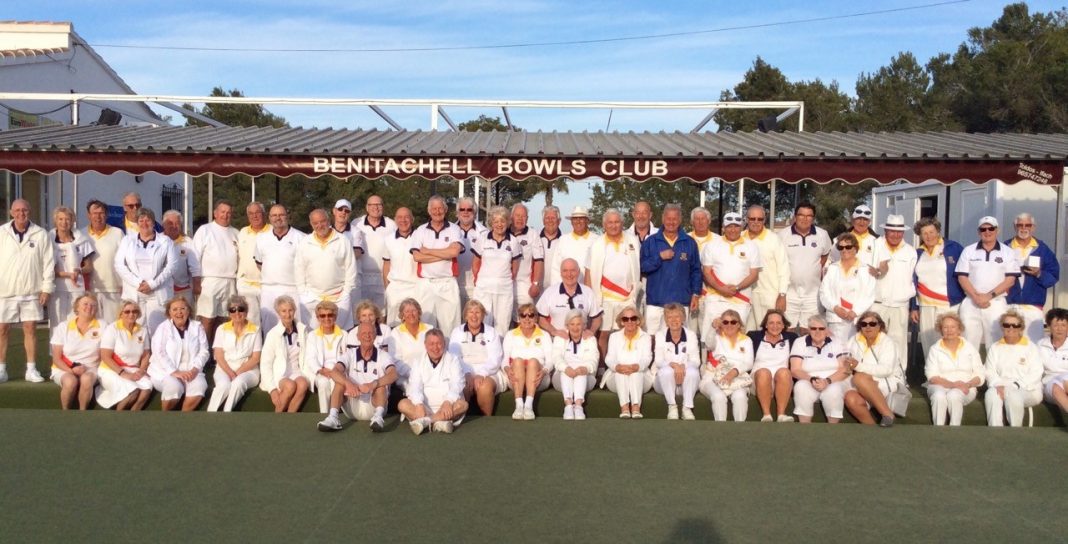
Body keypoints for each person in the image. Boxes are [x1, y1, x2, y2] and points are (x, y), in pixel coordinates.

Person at [0, 198, 54, 383]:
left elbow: (48, 263)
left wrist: (46, 289)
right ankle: (2, 369)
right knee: (2, 329)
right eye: (17, 210)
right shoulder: (2, 233)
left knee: (30, 328)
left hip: (32, 290)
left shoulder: (40, 234)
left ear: (29, 212)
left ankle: (31, 369)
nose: (21, 214)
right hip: (5, 290)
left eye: (24, 210)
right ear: (11, 212)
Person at [317, 322, 397, 433]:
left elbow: (393, 374)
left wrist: (373, 384)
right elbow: (334, 372)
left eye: (370, 333)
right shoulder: (350, 354)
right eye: (364, 333)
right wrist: (348, 384)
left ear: (375, 335)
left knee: (381, 386)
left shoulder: (383, 355)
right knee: (340, 382)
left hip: (374, 405)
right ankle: (333, 418)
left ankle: (378, 419)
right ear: (357, 336)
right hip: (352, 406)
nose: (367, 336)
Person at [956, 216, 1020, 350]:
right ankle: (971, 371)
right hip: (971, 302)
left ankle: (993, 371)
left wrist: (988, 296)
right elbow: (962, 277)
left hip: (996, 302)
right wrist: (976, 297)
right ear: (979, 232)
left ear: (997, 230)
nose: (987, 232)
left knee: (996, 342)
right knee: (967, 341)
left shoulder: (1008, 252)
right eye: (983, 229)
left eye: (991, 228)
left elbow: (1010, 280)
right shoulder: (968, 250)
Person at [641, 204, 702, 335]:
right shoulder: (651, 242)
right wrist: (659, 257)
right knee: (652, 338)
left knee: (679, 339)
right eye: (668, 218)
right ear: (663, 219)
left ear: (680, 220)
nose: (671, 222)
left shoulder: (690, 243)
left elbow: (696, 271)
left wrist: (696, 294)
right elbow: (642, 267)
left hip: (681, 302)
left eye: (675, 219)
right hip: (656, 302)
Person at [869, 214, 917, 383]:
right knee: (874, 338)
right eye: (892, 231)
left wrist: (912, 305)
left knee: (899, 341)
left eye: (899, 232)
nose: (895, 235)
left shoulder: (910, 251)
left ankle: (899, 377)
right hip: (877, 303)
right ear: (885, 230)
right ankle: (874, 375)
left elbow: (912, 278)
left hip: (899, 304)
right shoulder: (874, 246)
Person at [587, 209, 641, 356]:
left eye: (617, 222)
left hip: (627, 297)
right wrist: (590, 298)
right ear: (604, 225)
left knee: (626, 332)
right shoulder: (596, 244)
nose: (613, 225)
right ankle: (604, 367)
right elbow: (588, 272)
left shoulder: (632, 240)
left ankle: (624, 362)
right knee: (603, 334)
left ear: (622, 223)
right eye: (610, 222)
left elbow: (638, 267)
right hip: (604, 298)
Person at [115, 207, 178, 333]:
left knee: (158, 330)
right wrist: (138, 282)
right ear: (137, 223)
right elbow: (119, 265)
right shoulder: (127, 240)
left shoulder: (165, 241)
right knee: (135, 330)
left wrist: (153, 284)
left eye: (148, 220)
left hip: (158, 293)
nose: (144, 224)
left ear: (153, 222)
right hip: (134, 292)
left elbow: (172, 265)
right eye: (141, 220)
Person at [700, 212, 761, 343]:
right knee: (711, 336)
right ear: (723, 227)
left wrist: (737, 288)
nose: (733, 230)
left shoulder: (751, 246)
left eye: (736, 226)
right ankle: (706, 363)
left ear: (742, 227)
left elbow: (754, 274)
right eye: (729, 226)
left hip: (741, 299)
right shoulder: (711, 245)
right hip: (715, 297)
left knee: (735, 336)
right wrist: (721, 289)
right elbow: (706, 272)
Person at [909, 217, 965, 355]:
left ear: (938, 231)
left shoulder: (954, 248)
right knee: (929, 343)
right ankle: (931, 375)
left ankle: (951, 374)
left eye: (932, 232)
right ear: (920, 235)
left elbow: (965, 273)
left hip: (948, 304)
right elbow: (912, 281)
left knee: (949, 341)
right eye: (924, 233)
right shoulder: (917, 253)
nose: (929, 236)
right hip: (925, 305)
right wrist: (914, 307)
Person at [397, 329, 468, 435]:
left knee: (463, 405)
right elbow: (415, 386)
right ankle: (439, 423)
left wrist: (448, 401)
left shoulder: (453, 360)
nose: (435, 348)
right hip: (424, 409)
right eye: (432, 344)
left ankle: (426, 422)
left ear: (444, 344)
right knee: (402, 404)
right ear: (425, 345)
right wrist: (418, 404)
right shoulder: (418, 361)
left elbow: (457, 383)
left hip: (446, 408)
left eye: (439, 343)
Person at [295, 208, 356, 330]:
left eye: (322, 221)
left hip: (338, 297)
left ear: (328, 221)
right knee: (313, 336)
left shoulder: (342, 240)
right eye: (315, 223)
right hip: (312, 298)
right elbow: (299, 270)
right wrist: (303, 293)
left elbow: (351, 268)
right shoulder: (305, 242)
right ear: (311, 224)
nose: (319, 225)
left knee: (339, 334)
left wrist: (346, 292)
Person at [410, 195, 464, 334]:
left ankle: (451, 355)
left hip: (448, 283)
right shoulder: (420, 230)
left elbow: (454, 253)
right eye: (434, 209)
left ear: (445, 210)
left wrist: (428, 251)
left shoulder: (454, 229)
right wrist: (445, 253)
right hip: (426, 284)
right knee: (425, 326)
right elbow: (417, 256)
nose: (437, 211)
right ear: (429, 211)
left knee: (450, 327)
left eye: (440, 208)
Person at [777, 201, 832, 332]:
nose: (805, 219)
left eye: (809, 216)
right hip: (789, 294)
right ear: (795, 216)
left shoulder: (822, 235)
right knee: (786, 331)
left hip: (813, 294)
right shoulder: (782, 235)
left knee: (809, 332)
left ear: (813, 218)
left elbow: (824, 256)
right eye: (801, 215)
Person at [1005, 213, 1060, 342]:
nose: (1024, 228)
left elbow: (1053, 276)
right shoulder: (1005, 248)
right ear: (1014, 226)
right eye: (1020, 225)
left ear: (1033, 227)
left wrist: (1038, 274)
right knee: (1009, 343)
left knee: (1034, 346)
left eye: (1028, 225)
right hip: (1008, 305)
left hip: (1033, 307)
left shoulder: (1043, 249)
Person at [148, 296, 209, 411]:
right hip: (165, 371)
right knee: (174, 387)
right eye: (174, 309)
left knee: (200, 386)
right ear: (169, 313)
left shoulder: (197, 326)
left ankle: (183, 421)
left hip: (191, 371)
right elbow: (159, 352)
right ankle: (165, 421)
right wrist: (175, 372)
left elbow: (204, 351)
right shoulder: (163, 328)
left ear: (188, 311)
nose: (179, 312)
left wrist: (195, 369)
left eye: (182, 308)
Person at [924, 312, 984, 426]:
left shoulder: (970, 348)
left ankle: (954, 429)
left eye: (953, 327)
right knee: (938, 396)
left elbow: (980, 374)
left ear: (959, 329)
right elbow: (932, 377)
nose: (949, 330)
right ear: (940, 330)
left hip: (966, 387)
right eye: (945, 327)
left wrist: (968, 384)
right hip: (939, 385)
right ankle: (938, 429)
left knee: (954, 395)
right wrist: (953, 384)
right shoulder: (934, 349)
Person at [985, 309, 1044, 426]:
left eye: (1015, 325)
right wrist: (998, 385)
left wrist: (1015, 386)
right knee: (991, 395)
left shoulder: (1031, 347)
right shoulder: (995, 347)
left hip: (1028, 389)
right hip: (1001, 386)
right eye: (1007, 324)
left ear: (1021, 328)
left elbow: (1036, 373)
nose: (1010, 328)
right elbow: (989, 371)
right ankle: (994, 433)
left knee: (1013, 396)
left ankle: (1015, 432)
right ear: (1002, 327)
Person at [193, 200, 239, 349]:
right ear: (215, 213)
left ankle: (217, 353)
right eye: (222, 212)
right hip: (210, 280)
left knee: (224, 318)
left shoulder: (236, 233)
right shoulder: (205, 230)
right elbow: (195, 257)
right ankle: (204, 353)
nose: (225, 215)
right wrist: (196, 280)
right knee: (208, 319)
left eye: (228, 212)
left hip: (231, 281)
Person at [843, 311, 901, 427]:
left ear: (880, 326)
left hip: (886, 381)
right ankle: (872, 428)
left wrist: (858, 366)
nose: (868, 327)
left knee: (859, 378)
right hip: (862, 384)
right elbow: (846, 358)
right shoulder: (854, 340)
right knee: (851, 398)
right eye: (864, 324)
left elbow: (886, 370)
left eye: (872, 324)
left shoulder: (888, 343)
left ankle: (887, 414)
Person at [448, 299, 504, 417]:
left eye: (477, 312)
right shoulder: (457, 332)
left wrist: (481, 374)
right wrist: (467, 373)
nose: (474, 316)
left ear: (483, 315)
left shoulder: (491, 332)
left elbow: (495, 358)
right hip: (463, 371)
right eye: (470, 312)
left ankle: (486, 419)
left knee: (484, 388)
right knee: (461, 385)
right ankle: (461, 419)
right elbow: (454, 357)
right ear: (465, 315)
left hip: (488, 373)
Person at [789, 315, 849, 423]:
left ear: (827, 330)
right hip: (808, 379)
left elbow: (845, 370)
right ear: (808, 330)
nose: (817, 331)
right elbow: (795, 370)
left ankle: (833, 429)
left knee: (834, 390)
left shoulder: (837, 342)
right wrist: (812, 379)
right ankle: (805, 427)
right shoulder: (799, 342)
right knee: (800, 387)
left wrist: (827, 381)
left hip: (834, 380)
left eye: (821, 328)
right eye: (813, 328)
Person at [207, 295, 262, 412]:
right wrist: (230, 373)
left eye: (241, 309)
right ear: (229, 313)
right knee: (223, 386)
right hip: (224, 368)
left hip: (249, 370)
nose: (237, 313)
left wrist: (237, 373)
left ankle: (227, 413)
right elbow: (219, 355)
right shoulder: (221, 329)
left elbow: (255, 358)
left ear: (246, 312)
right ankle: (210, 414)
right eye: (233, 310)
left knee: (238, 383)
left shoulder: (255, 330)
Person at [255, 204, 306, 331]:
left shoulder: (302, 238)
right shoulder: (261, 238)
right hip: (268, 290)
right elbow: (259, 263)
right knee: (270, 330)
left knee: (296, 328)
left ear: (287, 216)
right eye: (274, 215)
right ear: (269, 218)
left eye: (281, 214)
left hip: (293, 289)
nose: (278, 218)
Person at [96, 299, 152, 411]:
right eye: (127, 312)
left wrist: (141, 370)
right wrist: (123, 373)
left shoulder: (143, 330)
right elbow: (105, 356)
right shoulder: (112, 329)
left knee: (147, 388)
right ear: (120, 314)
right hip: (111, 369)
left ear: (138, 314)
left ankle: (133, 418)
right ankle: (118, 420)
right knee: (132, 391)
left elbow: (146, 354)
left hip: (133, 369)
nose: (131, 314)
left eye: (135, 311)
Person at [699, 309, 754, 422]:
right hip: (712, 377)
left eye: (733, 322)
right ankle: (721, 431)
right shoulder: (716, 336)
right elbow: (709, 344)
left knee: (740, 397)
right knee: (718, 397)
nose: (729, 325)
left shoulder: (747, 340)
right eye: (725, 322)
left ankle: (739, 430)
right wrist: (713, 328)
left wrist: (733, 372)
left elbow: (748, 363)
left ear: (739, 324)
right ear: (721, 323)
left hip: (738, 378)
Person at [471, 206, 520, 330]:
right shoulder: (483, 239)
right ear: (491, 223)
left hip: (504, 290)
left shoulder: (513, 242)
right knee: (482, 323)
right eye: (496, 221)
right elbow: (475, 264)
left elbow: (514, 268)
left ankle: (500, 349)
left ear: (508, 223)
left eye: (503, 221)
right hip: (484, 289)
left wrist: (503, 280)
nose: (499, 224)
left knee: (502, 325)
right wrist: (481, 280)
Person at [49, 294, 102, 409]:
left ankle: (82, 413)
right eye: (85, 304)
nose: (89, 307)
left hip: (92, 368)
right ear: (77, 307)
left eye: (93, 305)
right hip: (65, 367)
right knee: (70, 381)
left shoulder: (103, 326)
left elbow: (107, 352)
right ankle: (65, 412)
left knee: (86, 379)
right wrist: (71, 370)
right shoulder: (63, 326)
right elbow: (56, 358)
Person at [819, 233, 875, 343]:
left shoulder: (865, 269)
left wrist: (855, 311)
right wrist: (835, 308)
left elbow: (869, 296)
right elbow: (824, 293)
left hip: (857, 320)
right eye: (841, 247)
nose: (844, 250)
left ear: (856, 248)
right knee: (836, 354)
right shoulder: (832, 268)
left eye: (848, 247)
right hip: (836, 319)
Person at [258, 295, 310, 413]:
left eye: (290, 310)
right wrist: (272, 390)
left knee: (302, 384)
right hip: (280, 373)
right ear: (278, 313)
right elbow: (265, 363)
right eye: (283, 311)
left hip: (296, 371)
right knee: (290, 386)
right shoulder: (273, 334)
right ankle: (277, 418)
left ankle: (289, 418)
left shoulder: (302, 330)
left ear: (295, 311)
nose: (287, 314)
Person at [742, 205, 789, 331]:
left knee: (767, 332)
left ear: (764, 220)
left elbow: (784, 269)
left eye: (759, 219)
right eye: (752, 219)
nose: (756, 222)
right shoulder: (740, 237)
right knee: (745, 333)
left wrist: (782, 295)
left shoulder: (774, 239)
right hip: (744, 294)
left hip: (768, 294)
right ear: (746, 219)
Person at [502, 302, 553, 420]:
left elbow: (550, 361)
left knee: (533, 361)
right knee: (518, 360)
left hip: (539, 378)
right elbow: (504, 360)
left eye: (531, 315)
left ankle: (528, 406)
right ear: (519, 318)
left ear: (536, 318)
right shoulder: (510, 335)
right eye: (523, 315)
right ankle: (519, 406)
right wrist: (507, 370)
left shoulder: (545, 335)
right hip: (515, 378)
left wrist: (544, 372)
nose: (527, 318)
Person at [748, 309, 798, 422]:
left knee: (784, 372)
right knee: (764, 372)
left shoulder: (792, 338)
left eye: (778, 323)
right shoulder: (753, 336)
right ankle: (766, 415)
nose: (775, 326)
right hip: (758, 381)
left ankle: (781, 415)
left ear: (783, 325)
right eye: (771, 323)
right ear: (765, 325)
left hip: (782, 381)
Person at [604, 305, 653, 419]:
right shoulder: (614, 337)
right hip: (616, 377)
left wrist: (637, 367)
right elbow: (609, 358)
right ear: (621, 322)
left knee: (636, 373)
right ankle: (625, 408)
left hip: (641, 377)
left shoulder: (646, 337)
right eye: (626, 319)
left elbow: (647, 358)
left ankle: (636, 408)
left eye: (633, 318)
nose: (629, 321)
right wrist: (617, 367)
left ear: (638, 320)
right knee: (621, 373)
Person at [48, 206, 94, 328]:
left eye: (68, 219)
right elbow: (47, 268)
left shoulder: (82, 240)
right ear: (55, 221)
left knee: (76, 322)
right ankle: (56, 348)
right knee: (57, 325)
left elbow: (89, 267)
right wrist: (67, 274)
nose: (64, 222)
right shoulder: (48, 240)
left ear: (73, 221)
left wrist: (79, 270)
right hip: (56, 288)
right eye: (61, 219)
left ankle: (75, 347)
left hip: (77, 288)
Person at [653, 303, 700, 420]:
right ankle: (672, 406)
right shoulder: (659, 335)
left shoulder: (691, 335)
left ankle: (687, 408)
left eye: (677, 316)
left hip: (686, 382)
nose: (674, 320)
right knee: (666, 371)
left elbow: (696, 361)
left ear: (683, 318)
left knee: (693, 372)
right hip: (664, 383)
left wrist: (683, 366)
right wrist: (674, 365)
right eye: (670, 317)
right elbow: (658, 361)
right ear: (666, 320)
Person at [536, 258, 603, 338]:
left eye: (572, 270)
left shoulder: (588, 292)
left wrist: (591, 332)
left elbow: (597, 318)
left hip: (582, 343)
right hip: (558, 342)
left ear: (578, 272)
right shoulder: (550, 292)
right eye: (565, 271)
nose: (569, 274)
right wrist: (553, 331)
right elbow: (540, 317)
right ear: (560, 273)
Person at [81, 199, 125, 322]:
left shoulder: (117, 233)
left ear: (106, 215)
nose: (98, 216)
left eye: (101, 213)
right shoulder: (81, 234)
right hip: (90, 290)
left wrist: (123, 284)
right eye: (94, 213)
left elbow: (124, 261)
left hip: (113, 289)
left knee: (112, 326)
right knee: (92, 328)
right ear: (89, 215)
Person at [551, 309, 598, 420]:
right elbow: (556, 357)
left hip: (586, 378)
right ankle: (568, 405)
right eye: (572, 324)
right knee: (565, 370)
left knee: (580, 370)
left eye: (578, 324)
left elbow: (594, 359)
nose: (575, 328)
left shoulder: (590, 339)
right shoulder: (560, 338)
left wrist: (585, 369)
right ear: (567, 325)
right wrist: (566, 368)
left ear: (584, 325)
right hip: (561, 378)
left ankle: (578, 406)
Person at [302, 300, 347, 413]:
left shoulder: (344, 334)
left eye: (330, 315)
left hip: (339, 371)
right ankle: (324, 415)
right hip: (321, 372)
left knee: (336, 381)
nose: (326, 318)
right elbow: (310, 358)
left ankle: (336, 414)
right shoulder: (312, 335)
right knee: (323, 382)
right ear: (318, 318)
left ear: (335, 316)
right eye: (322, 315)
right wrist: (321, 370)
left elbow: (347, 357)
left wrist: (336, 371)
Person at [352, 195, 396, 310]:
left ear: (383, 207)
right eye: (372, 205)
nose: (375, 207)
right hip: (362, 277)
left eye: (379, 204)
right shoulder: (356, 223)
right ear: (367, 207)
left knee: (382, 313)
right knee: (362, 312)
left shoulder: (391, 225)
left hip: (383, 278)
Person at [382, 207, 418, 325]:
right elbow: (387, 264)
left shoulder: (420, 236)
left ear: (412, 219)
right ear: (395, 220)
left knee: (415, 324)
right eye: (400, 217)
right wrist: (388, 287)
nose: (403, 220)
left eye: (407, 217)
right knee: (394, 326)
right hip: (395, 289)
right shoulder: (388, 239)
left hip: (416, 287)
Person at [236, 202, 269, 326]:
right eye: (251, 213)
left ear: (263, 214)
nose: (254, 216)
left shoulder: (272, 232)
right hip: (246, 285)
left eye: (257, 213)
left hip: (266, 285)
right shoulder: (242, 232)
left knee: (268, 321)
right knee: (250, 321)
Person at [388, 298, 432, 390]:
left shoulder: (430, 329)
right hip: (406, 379)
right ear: (402, 315)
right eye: (407, 311)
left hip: (429, 375)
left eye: (414, 311)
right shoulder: (395, 333)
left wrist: (428, 373)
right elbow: (396, 361)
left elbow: (436, 353)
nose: (411, 314)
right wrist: (415, 374)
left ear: (419, 313)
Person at [161, 210, 202, 309]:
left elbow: (195, 265)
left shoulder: (188, 242)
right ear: (164, 225)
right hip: (163, 289)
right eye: (170, 223)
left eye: (177, 223)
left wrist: (197, 285)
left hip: (183, 289)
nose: (174, 226)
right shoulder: (158, 240)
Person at [687, 206, 717, 336]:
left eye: (703, 219)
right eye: (697, 219)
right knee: (690, 332)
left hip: (711, 294)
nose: (700, 222)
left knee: (708, 333)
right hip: (690, 294)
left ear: (709, 221)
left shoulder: (719, 240)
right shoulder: (684, 239)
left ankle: (706, 357)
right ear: (692, 222)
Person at [510, 203, 545, 314]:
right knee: (502, 320)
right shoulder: (503, 232)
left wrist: (535, 284)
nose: (520, 219)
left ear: (527, 219)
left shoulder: (533, 234)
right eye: (517, 215)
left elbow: (539, 261)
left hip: (524, 284)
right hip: (504, 283)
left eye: (523, 216)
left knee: (526, 318)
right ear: (511, 217)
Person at [549, 206, 595, 286]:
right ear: (571, 221)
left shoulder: (596, 240)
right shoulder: (563, 240)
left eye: (581, 218)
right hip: (567, 290)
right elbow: (555, 269)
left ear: (587, 221)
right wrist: (559, 290)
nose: (578, 221)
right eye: (575, 218)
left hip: (591, 290)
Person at [454, 196, 485, 309]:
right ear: (457, 213)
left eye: (469, 209)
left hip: (476, 287)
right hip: (454, 285)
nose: (466, 212)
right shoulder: (449, 230)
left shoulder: (484, 233)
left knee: (474, 321)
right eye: (462, 209)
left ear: (475, 213)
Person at [1038, 308, 1068, 414]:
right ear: (1049, 326)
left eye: (1063, 325)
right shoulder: (1040, 345)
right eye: (1056, 325)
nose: (1059, 329)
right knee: (1056, 387)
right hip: (1049, 385)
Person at [539, 205, 562, 288]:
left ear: (559, 221)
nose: (550, 221)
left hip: (557, 289)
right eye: (547, 218)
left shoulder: (564, 241)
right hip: (537, 291)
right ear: (543, 221)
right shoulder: (535, 240)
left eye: (553, 218)